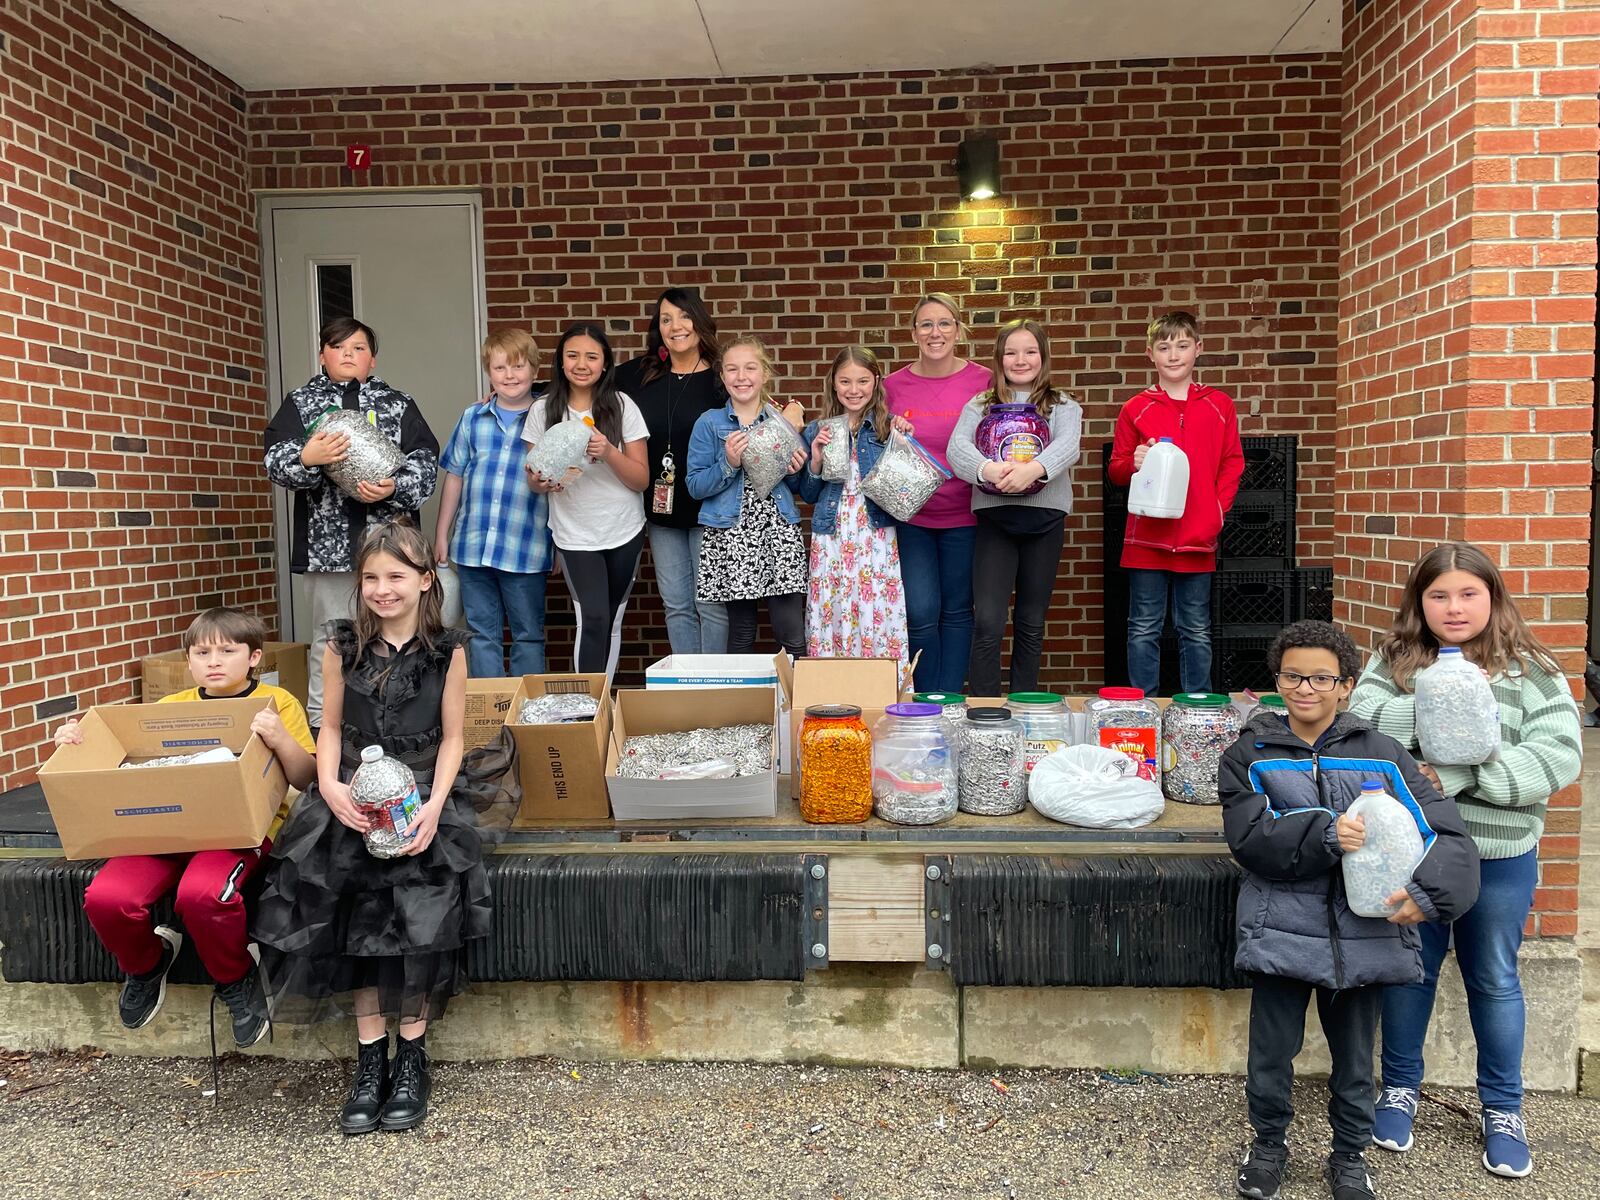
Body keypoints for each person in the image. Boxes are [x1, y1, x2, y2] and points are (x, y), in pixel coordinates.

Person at [252, 521, 506, 1135]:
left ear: (425, 581)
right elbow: (331, 726)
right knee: (358, 923)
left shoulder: (449, 650)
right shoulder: (341, 646)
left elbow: (453, 739)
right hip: (354, 793)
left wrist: (434, 804)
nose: (382, 589)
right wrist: (331, 785)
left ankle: (412, 1057)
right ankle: (371, 1062)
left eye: (396, 576)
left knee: (418, 923)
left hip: (420, 792)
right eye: (371, 577)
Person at [1220, 620, 1479, 1200]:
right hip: (1279, 930)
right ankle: (1267, 1146)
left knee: (1357, 1061)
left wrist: (1430, 893)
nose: (1305, 688)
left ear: (1347, 686)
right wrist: (1325, 834)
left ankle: (1349, 1157)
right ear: (1276, 680)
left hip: (1367, 935)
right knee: (1270, 1055)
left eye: (1320, 677)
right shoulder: (1249, 756)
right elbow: (1250, 836)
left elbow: (1444, 832)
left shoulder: (1384, 756)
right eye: (1292, 675)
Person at [1350, 543, 1582, 1180]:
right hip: (1415, 847)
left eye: (1468, 593)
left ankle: (1503, 1108)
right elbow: (1364, 731)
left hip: (1498, 849)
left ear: (1493, 596)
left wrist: (1465, 771)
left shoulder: (1531, 669)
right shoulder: (1390, 661)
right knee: (1412, 969)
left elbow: (1560, 756)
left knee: (1494, 976)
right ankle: (1399, 1089)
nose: (1453, 608)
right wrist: (1435, 696)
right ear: (1418, 604)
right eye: (1438, 596)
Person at [54, 608, 315, 1048]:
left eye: (227, 651)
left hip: (238, 831)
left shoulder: (277, 705)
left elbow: (306, 778)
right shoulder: (169, 710)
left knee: (202, 895)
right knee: (107, 897)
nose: (214, 661)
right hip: (163, 829)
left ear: (254, 658)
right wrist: (77, 742)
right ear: (189, 661)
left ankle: (235, 978)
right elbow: (127, 762)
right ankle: (147, 964)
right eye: (202, 652)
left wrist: (280, 738)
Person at [264, 316, 439, 729]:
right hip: (329, 552)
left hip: (391, 545)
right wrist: (308, 459)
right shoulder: (301, 403)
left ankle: (400, 723)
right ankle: (324, 728)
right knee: (332, 638)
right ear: (323, 355)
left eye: (358, 348)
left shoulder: (397, 403)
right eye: (339, 347)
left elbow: (427, 462)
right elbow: (274, 459)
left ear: (372, 360)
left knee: (397, 633)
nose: (348, 354)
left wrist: (395, 486)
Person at [1107, 310, 1243, 695]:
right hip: (1147, 536)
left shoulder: (1219, 404)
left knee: (1195, 628)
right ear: (1150, 353)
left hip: (1198, 535)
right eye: (1164, 347)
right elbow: (1116, 470)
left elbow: (1233, 461)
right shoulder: (1136, 408)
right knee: (1143, 626)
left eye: (1182, 345)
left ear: (1198, 349)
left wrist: (1217, 510)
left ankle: (1195, 704)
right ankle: (1144, 706)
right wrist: (1131, 462)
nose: (1173, 354)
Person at [945, 319, 1081, 697]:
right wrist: (987, 469)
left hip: (1045, 520)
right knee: (987, 620)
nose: (1020, 360)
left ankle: (1025, 706)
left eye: (1030, 351)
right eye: (1011, 352)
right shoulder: (981, 404)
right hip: (996, 520)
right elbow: (958, 448)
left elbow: (1068, 446)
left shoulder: (1063, 405)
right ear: (999, 358)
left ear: (1043, 356)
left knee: (1031, 622)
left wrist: (1033, 471)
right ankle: (985, 707)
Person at [522, 322, 651, 677]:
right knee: (592, 617)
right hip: (575, 533)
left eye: (592, 356)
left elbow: (641, 479)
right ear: (561, 362)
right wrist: (541, 482)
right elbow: (533, 479)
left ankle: (603, 705)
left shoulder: (622, 406)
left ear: (605, 364)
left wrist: (609, 451)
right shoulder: (543, 409)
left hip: (623, 528)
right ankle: (586, 709)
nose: (582, 364)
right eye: (573, 355)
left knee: (611, 619)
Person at [613, 288, 730, 655]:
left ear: (700, 321)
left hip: (708, 508)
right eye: (666, 319)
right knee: (677, 605)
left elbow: (760, 402)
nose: (675, 326)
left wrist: (791, 408)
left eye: (683, 316)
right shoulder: (639, 374)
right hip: (660, 512)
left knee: (710, 606)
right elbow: (582, 385)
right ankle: (686, 687)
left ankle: (713, 686)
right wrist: (522, 396)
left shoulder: (720, 378)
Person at [884, 293, 991, 691]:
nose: (935, 332)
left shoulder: (983, 380)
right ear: (913, 333)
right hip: (913, 516)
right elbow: (870, 435)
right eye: (926, 324)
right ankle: (928, 699)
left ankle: (949, 701)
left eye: (945, 323)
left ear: (959, 330)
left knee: (959, 611)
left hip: (966, 513)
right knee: (921, 610)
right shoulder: (893, 385)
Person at [433, 328, 554, 678]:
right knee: (480, 633)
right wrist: (443, 533)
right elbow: (454, 475)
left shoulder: (547, 418)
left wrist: (558, 546)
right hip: (473, 547)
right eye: (500, 368)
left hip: (526, 548)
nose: (510, 376)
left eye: (518, 367)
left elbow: (561, 485)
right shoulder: (472, 418)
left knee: (528, 635)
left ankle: (523, 710)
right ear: (489, 372)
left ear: (534, 370)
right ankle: (490, 711)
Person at [686, 335, 809, 657]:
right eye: (732, 369)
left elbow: (801, 489)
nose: (741, 377)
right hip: (731, 535)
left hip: (778, 532)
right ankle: (744, 704)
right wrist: (728, 463)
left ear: (764, 374)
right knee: (741, 633)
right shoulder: (709, 424)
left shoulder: (783, 422)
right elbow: (695, 486)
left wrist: (796, 471)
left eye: (750, 368)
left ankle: (795, 706)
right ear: (722, 376)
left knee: (791, 632)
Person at [798, 346, 909, 662]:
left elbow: (904, 490)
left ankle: (881, 685)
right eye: (845, 381)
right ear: (833, 383)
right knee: (833, 604)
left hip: (874, 532)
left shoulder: (887, 429)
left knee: (875, 604)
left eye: (862, 381)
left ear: (876, 381)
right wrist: (816, 460)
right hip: (832, 534)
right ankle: (834, 685)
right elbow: (807, 493)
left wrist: (905, 442)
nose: (854, 390)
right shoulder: (818, 430)